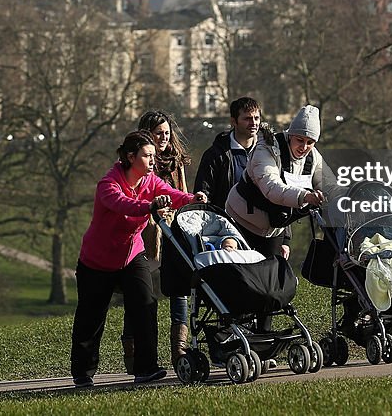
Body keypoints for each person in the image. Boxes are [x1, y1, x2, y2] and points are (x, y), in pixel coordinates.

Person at [70, 130, 206, 387]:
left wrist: (191, 198)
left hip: (131, 255)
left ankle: (146, 368)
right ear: (131, 157)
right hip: (97, 261)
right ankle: (83, 373)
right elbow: (124, 205)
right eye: (147, 155)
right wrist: (149, 206)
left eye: (154, 155)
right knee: (91, 316)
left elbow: (169, 192)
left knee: (145, 304)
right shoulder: (108, 184)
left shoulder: (149, 180)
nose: (153, 160)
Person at [225, 104, 326, 260]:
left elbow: (328, 187)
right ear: (290, 135)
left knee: (273, 276)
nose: (304, 147)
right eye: (300, 140)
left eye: (310, 142)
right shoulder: (266, 148)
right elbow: (272, 188)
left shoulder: (314, 158)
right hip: (240, 220)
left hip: (274, 227)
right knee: (243, 273)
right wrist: (305, 196)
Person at [134, 109, 193, 368]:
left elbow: (182, 192)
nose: (164, 138)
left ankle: (179, 349)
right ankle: (137, 351)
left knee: (179, 288)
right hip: (147, 232)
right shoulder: (140, 163)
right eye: (158, 133)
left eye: (167, 133)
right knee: (144, 293)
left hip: (175, 229)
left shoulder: (175, 161)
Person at [194, 97, 261, 210]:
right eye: (247, 119)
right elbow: (203, 195)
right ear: (234, 121)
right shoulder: (215, 155)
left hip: (264, 225)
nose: (253, 123)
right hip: (226, 223)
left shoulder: (270, 151)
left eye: (256, 118)